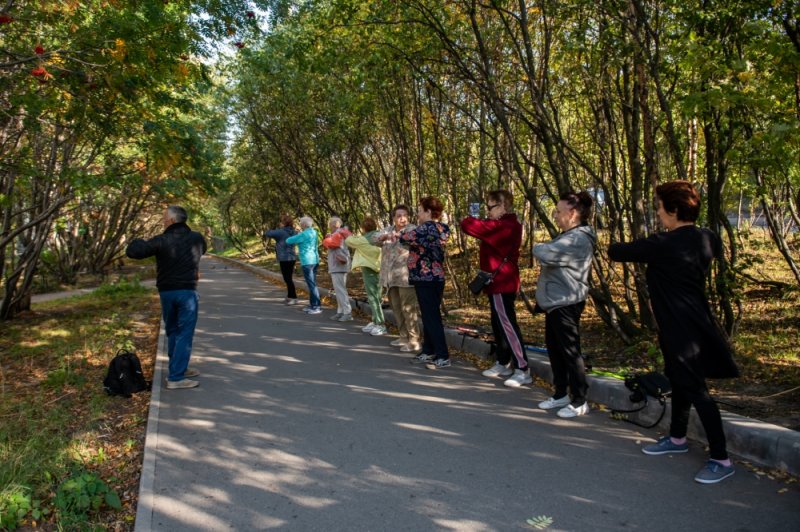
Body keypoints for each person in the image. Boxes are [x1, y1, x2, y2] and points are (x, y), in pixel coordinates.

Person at [608, 180, 739, 484]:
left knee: (696, 389)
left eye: (659, 206)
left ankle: (721, 458)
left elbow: (617, 251)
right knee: (680, 380)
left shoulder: (665, 244)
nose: (657, 212)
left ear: (674, 209)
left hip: (682, 326)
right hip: (689, 321)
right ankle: (677, 438)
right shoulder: (706, 237)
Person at [126, 206, 207, 390]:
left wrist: (136, 239)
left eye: (164, 218)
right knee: (184, 333)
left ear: (171, 221)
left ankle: (179, 369)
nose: (163, 221)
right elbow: (203, 250)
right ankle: (176, 378)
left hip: (167, 292)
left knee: (172, 331)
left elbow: (134, 252)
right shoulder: (197, 238)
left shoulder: (161, 240)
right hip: (187, 291)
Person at [533, 191, 596, 418]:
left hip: (566, 303)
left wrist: (538, 247)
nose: (556, 216)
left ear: (573, 213)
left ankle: (579, 399)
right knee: (555, 350)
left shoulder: (577, 239)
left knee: (570, 352)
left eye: (559, 212)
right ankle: (561, 393)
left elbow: (545, 252)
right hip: (555, 303)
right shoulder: (567, 236)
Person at [461, 190, 530, 387]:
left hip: (503, 282)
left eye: (491, 207)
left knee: (507, 324)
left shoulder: (506, 226)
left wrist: (473, 217)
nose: (488, 211)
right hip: (495, 282)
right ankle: (502, 360)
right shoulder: (500, 224)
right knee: (498, 324)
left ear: (503, 206)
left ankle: (523, 368)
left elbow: (468, 225)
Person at [400, 196, 451, 369]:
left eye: (420, 210)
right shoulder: (442, 228)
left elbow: (404, 237)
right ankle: (429, 350)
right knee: (430, 315)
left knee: (431, 317)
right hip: (436, 277)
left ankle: (443, 355)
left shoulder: (426, 228)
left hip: (425, 278)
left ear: (429, 212)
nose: (418, 214)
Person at [374, 205, 421, 352]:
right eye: (399, 215)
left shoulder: (412, 230)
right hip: (390, 276)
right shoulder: (387, 230)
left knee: (408, 308)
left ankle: (414, 340)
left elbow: (417, 242)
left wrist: (401, 237)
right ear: (393, 217)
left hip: (406, 276)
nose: (402, 218)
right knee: (396, 307)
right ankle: (403, 336)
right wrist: (383, 237)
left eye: (405, 215)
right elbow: (374, 240)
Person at [346, 217, 386, 335]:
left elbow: (348, 240)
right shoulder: (379, 236)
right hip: (380, 269)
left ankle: (380, 323)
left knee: (373, 297)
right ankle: (375, 321)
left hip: (369, 270)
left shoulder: (363, 239)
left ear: (363, 228)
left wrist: (347, 232)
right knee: (377, 296)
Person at [286, 216, 322, 315]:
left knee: (311, 285)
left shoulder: (303, 234)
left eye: (301, 222)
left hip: (307, 261)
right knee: (312, 283)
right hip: (314, 259)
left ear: (304, 224)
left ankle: (316, 306)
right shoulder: (314, 232)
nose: (300, 224)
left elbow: (288, 240)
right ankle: (312, 304)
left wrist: (298, 233)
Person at [322, 217, 353, 321]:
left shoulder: (337, 233)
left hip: (338, 266)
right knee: (339, 290)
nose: (330, 226)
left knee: (340, 290)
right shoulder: (340, 233)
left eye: (330, 224)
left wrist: (326, 240)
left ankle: (347, 312)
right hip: (339, 265)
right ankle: (340, 311)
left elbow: (332, 244)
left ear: (334, 225)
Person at [264, 214, 299, 305]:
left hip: (284, 258)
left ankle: (293, 297)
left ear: (283, 223)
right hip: (292, 257)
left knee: (287, 279)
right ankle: (289, 296)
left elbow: (267, 233)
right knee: (289, 278)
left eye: (281, 222)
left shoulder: (280, 232)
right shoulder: (294, 232)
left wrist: (272, 228)